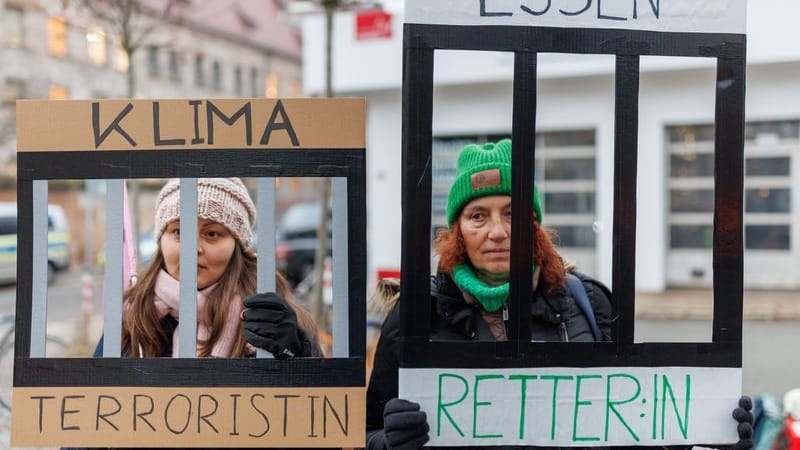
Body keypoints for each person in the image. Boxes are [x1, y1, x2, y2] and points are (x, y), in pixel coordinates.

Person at [365, 139, 753, 450]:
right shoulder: (416, 316)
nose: (498, 232)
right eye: (478, 215)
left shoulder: (589, 304)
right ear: (457, 231)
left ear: (536, 225)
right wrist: (389, 441)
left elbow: (637, 425)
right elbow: (364, 433)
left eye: (513, 213)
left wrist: (706, 427)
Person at [119, 177, 321, 358]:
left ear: (237, 245)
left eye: (212, 234)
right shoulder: (133, 314)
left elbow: (318, 394)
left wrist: (297, 353)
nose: (193, 249)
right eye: (178, 231)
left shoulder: (271, 315)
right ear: (161, 240)